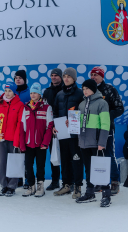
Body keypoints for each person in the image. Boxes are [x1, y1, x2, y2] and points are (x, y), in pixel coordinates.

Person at [75, 79, 111, 207]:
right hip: (84, 142)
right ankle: (90, 193)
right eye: (83, 89)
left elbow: (106, 124)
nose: (84, 91)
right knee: (88, 169)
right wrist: (71, 124)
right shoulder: (81, 104)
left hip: (96, 143)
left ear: (94, 89)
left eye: (87, 89)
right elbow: (79, 123)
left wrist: (102, 141)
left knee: (101, 169)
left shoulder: (102, 103)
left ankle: (106, 194)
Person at [91, 66, 124, 195]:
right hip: (92, 130)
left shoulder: (110, 89)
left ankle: (115, 181)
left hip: (106, 128)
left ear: (102, 77)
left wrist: (105, 117)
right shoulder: (88, 90)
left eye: (96, 75)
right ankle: (100, 181)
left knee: (109, 154)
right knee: (96, 155)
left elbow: (120, 108)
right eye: (92, 75)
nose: (93, 77)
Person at [53, 67, 84, 199]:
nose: (66, 79)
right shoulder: (59, 94)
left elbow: (83, 112)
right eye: (65, 76)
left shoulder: (79, 94)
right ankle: (66, 184)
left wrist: (75, 121)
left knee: (76, 159)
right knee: (65, 160)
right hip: (62, 133)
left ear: (74, 79)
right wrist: (54, 125)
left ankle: (78, 186)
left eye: (69, 77)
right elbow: (55, 112)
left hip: (75, 133)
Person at [20, 83, 54, 197]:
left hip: (41, 144)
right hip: (29, 143)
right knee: (28, 165)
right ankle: (31, 186)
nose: (33, 95)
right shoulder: (25, 108)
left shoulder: (46, 107)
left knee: (40, 165)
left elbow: (49, 127)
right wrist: (22, 144)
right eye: (31, 93)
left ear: (40, 94)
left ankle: (40, 186)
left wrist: (45, 142)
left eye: (35, 93)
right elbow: (22, 127)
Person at [0, 81, 24, 197]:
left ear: (14, 92)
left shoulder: (19, 105)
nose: (7, 93)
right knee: (2, 163)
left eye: (10, 91)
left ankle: (12, 186)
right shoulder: (0, 104)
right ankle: (4, 185)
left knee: (13, 163)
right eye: (6, 90)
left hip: (13, 140)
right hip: (1, 139)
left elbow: (19, 124)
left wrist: (17, 141)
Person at [42, 68, 63, 191]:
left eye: (56, 75)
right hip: (50, 127)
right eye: (52, 75)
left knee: (65, 155)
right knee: (53, 154)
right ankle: (55, 181)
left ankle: (67, 181)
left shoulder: (64, 90)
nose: (54, 77)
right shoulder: (47, 92)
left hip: (63, 127)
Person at [14, 69, 31, 188]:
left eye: (20, 78)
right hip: (15, 127)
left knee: (27, 154)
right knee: (17, 153)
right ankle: (18, 178)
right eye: (16, 78)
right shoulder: (11, 92)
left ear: (24, 79)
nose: (18, 80)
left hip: (27, 127)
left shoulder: (29, 92)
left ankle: (28, 179)